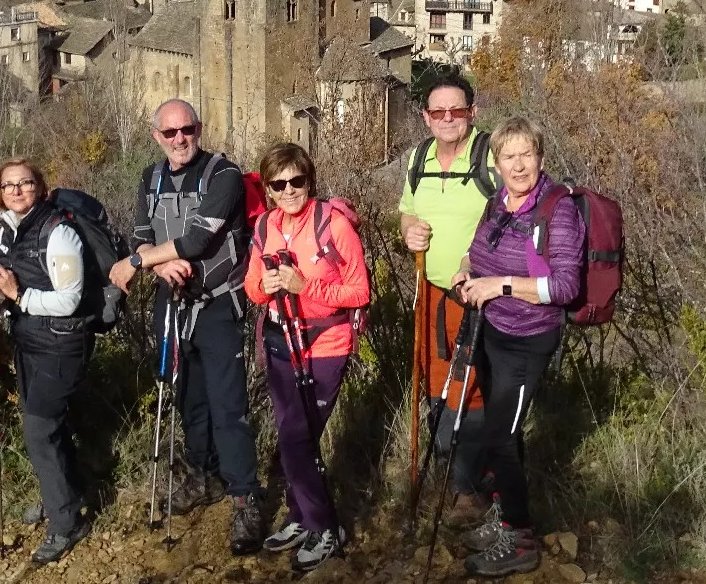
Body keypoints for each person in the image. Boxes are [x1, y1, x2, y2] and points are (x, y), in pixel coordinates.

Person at [108, 99, 264, 554]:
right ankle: (206, 475)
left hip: (217, 306)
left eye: (187, 129)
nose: (180, 139)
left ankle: (245, 498)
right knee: (189, 397)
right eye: (170, 132)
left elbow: (197, 240)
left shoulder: (224, 175)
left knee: (229, 406)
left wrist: (138, 262)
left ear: (199, 128)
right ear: (156, 136)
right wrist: (157, 267)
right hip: (171, 303)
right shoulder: (151, 178)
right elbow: (140, 233)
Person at [451, 117, 585, 578]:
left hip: (528, 340)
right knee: (500, 432)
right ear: (497, 162)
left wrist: (499, 286)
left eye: (527, 154)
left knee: (500, 439)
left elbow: (565, 287)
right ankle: (504, 512)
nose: (518, 163)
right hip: (493, 333)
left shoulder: (556, 211)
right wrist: (466, 272)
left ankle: (520, 536)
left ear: (541, 158)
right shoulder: (498, 203)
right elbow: (476, 252)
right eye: (509, 155)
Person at [243, 143, 369, 572]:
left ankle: (324, 526)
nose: (290, 190)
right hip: (281, 340)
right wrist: (270, 286)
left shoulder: (333, 225)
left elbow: (359, 292)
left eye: (298, 180)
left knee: (297, 439)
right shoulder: (264, 227)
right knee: (295, 437)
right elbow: (252, 288)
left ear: (309, 180)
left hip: (326, 344)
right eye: (279, 184)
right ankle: (301, 516)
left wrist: (304, 287)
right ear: (269, 190)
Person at [398, 70, 501, 524]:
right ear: (425, 117)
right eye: (438, 111)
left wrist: (472, 257)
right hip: (431, 292)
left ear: (472, 113)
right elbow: (407, 211)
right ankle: (451, 467)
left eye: (456, 110)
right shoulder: (419, 157)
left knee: (468, 388)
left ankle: (465, 486)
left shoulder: (491, 157)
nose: (447, 118)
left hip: (477, 298)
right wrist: (409, 232)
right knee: (437, 381)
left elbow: (513, 214)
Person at [0, 158, 95, 564]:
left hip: (61, 346)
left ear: (41, 187)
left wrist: (17, 295)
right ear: (1, 192)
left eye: (25, 183)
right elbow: (15, 282)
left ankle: (66, 524)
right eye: (9, 185)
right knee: (48, 426)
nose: (16, 191)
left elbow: (70, 298)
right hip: (31, 342)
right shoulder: (10, 229)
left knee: (39, 431)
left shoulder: (59, 233)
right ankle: (62, 495)